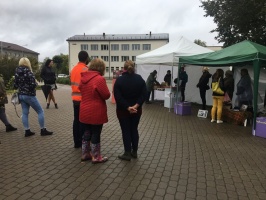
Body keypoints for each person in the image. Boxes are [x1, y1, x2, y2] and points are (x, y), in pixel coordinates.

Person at [79, 58, 110, 163]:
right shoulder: (99, 79)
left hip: (84, 110)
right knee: (96, 133)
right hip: (96, 111)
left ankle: (85, 154)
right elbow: (106, 95)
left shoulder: (83, 78)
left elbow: (80, 89)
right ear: (101, 68)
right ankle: (96, 157)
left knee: (86, 132)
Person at [114, 60, 147, 161]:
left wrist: (128, 107)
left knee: (126, 131)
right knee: (134, 129)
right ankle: (135, 152)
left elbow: (118, 97)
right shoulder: (140, 79)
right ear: (134, 67)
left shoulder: (119, 80)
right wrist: (136, 106)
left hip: (123, 111)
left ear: (124, 68)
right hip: (137, 111)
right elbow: (144, 94)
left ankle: (127, 153)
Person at [14, 57, 53, 137]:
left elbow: (15, 85)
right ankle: (43, 130)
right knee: (40, 111)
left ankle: (27, 130)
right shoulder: (29, 72)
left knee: (25, 113)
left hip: (21, 95)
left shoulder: (17, 72)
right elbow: (32, 85)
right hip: (29, 95)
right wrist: (36, 84)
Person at [70, 51, 90, 149]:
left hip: (75, 99)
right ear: (86, 58)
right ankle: (83, 142)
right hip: (83, 99)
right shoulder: (86, 69)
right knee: (83, 122)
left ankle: (76, 142)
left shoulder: (73, 69)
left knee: (76, 120)